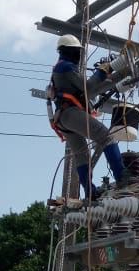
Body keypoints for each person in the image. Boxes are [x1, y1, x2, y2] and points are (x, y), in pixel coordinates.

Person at [48, 33, 126, 200]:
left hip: (64, 118)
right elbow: (89, 86)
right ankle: (122, 177)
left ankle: (90, 193)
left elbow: (91, 91)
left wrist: (118, 78)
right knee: (107, 138)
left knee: (82, 155)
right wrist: (105, 69)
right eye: (77, 51)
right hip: (70, 114)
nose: (79, 55)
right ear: (68, 51)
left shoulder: (60, 68)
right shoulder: (66, 67)